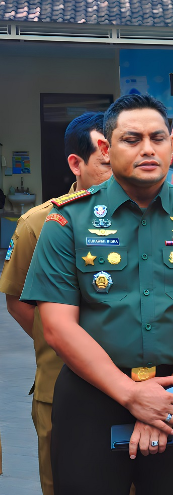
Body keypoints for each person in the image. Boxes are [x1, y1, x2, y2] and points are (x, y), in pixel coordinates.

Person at [20, 94, 173, 495]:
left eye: (157, 138)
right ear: (106, 147)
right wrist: (133, 396)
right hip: (92, 398)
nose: (147, 149)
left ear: (172, 144)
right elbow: (56, 327)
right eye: (131, 139)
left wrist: (164, 400)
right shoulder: (65, 220)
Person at [0, 112, 112, 495]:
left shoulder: (154, 221)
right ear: (76, 164)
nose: (118, 171)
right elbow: (16, 299)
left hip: (137, 388)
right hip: (62, 387)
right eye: (106, 164)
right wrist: (61, 340)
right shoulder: (40, 223)